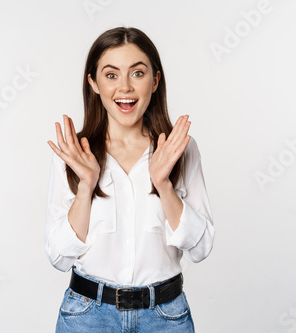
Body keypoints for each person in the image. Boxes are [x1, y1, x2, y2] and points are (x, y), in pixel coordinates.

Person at [45, 26, 215, 332]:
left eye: (137, 73)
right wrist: (86, 188)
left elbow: (201, 249)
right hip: (87, 317)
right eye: (111, 75)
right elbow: (58, 257)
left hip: (165, 318)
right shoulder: (74, 154)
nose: (124, 87)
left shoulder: (180, 149)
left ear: (155, 80)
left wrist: (163, 184)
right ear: (94, 83)